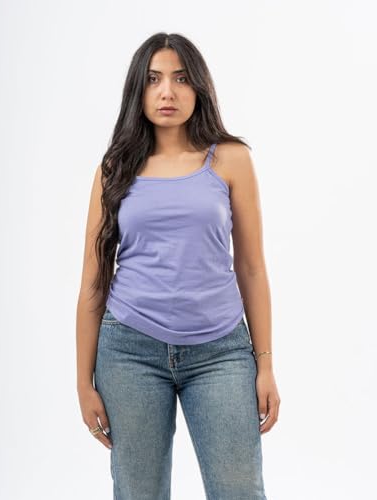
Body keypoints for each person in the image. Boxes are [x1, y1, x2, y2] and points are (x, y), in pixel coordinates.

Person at [76, 32, 280, 500]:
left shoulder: (231, 159)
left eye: (181, 79)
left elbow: (251, 268)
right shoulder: (114, 168)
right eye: (154, 79)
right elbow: (93, 281)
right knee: (139, 492)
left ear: (199, 87)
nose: (167, 91)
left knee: (239, 490)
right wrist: (83, 382)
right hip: (129, 351)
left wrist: (265, 365)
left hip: (221, 352)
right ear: (138, 89)